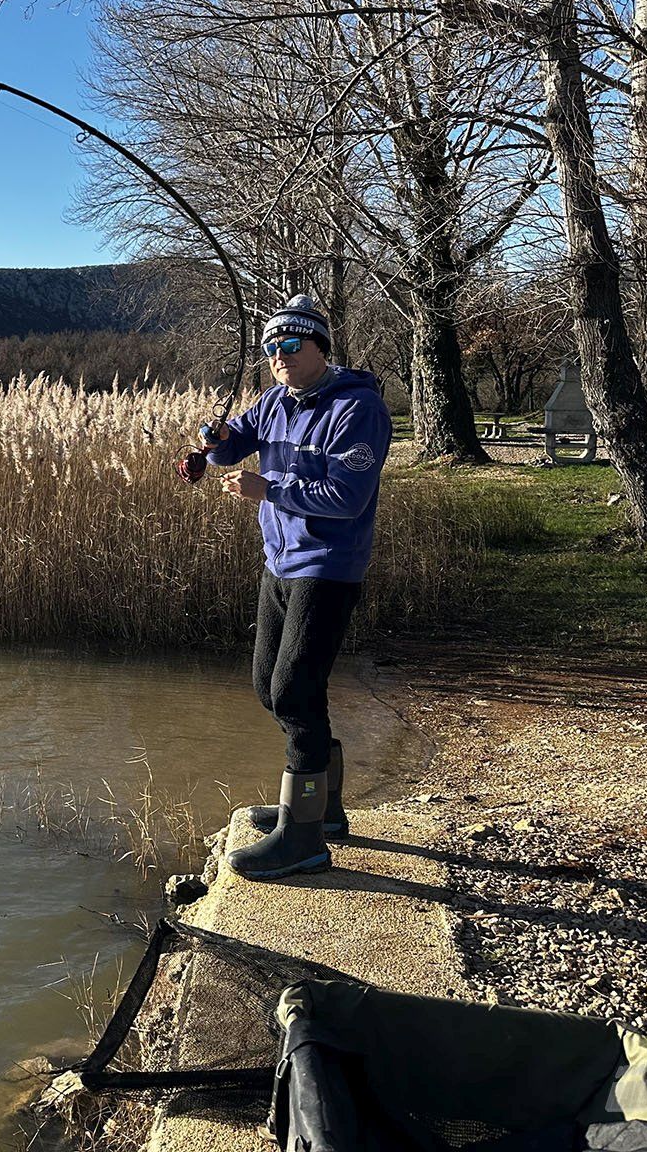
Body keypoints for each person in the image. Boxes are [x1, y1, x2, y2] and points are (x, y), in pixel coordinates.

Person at [193, 295, 392, 880]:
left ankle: (302, 839)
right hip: (278, 562)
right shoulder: (275, 400)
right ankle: (323, 810)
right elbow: (237, 441)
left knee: (293, 691)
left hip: (328, 566)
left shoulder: (358, 409)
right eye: (269, 348)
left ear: (319, 347)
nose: (277, 356)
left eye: (290, 345)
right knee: (269, 686)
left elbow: (347, 498)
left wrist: (268, 489)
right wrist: (218, 440)